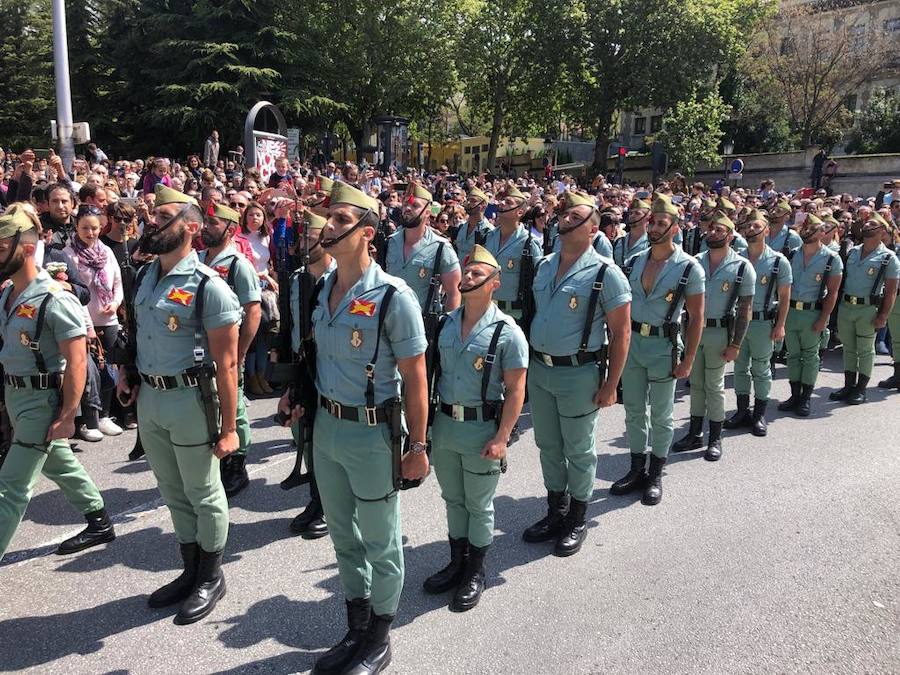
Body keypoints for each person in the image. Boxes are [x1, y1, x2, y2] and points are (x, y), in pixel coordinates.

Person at [282, 182, 428, 675]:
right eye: (329, 218)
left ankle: (379, 637)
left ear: (367, 233)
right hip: (327, 430)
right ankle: (356, 626)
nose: (328, 226)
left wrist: (418, 445)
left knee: (380, 541)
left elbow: (416, 379)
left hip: (372, 433)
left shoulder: (393, 297)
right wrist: (297, 395)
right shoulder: (323, 288)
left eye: (342, 220)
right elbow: (315, 357)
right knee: (343, 535)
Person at [116, 185, 241, 625]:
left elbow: (228, 364)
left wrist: (230, 428)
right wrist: (128, 374)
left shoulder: (208, 286)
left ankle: (211, 576)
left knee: (203, 492)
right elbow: (137, 334)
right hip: (151, 400)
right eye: (152, 214)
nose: (151, 220)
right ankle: (190, 570)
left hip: (191, 400)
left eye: (162, 215)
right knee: (172, 491)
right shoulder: (144, 276)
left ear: (189, 227)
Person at [0, 209, 115, 559]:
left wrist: (67, 415)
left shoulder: (54, 297)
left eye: (1, 247)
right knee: (58, 462)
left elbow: (77, 360)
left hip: (41, 401)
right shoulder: (8, 295)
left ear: (26, 248)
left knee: (10, 487)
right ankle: (99, 521)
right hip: (16, 396)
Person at [523, 190, 631, 553]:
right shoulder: (545, 265)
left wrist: (612, 384)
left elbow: (622, 333)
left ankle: (578, 517)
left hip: (578, 372)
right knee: (548, 446)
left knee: (579, 450)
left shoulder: (605, 272)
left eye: (575, 217)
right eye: (564, 215)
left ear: (593, 229)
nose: (565, 219)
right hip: (541, 369)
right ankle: (556, 510)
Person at [425, 245, 527, 611]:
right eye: (466, 272)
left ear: (494, 284)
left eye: (477, 274)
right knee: (453, 499)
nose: (467, 277)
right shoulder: (445, 323)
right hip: (445, 426)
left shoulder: (507, 332)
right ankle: (457, 562)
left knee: (479, 505)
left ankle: (476, 571)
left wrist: (502, 437)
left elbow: (516, 390)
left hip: (481, 429)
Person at [611, 196, 704, 504]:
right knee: (634, 410)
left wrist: (689, 359)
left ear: (675, 228)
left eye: (661, 223)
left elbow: (696, 317)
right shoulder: (635, 261)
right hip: (634, 344)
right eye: (651, 222)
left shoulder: (689, 267)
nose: (653, 228)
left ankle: (655, 473)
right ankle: (636, 468)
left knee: (662, 415)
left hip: (664, 346)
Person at [671, 211, 755, 460]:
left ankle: (715, 438)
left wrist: (736, 344)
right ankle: (695, 432)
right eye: (711, 229)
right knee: (696, 384)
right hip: (693, 330)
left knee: (714, 386)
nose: (713, 233)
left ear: (730, 236)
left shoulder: (742, 267)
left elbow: (745, 309)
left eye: (720, 230)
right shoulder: (695, 262)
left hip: (719, 332)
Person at [199, 204, 262, 497]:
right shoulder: (198, 259)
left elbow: (253, 311)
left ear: (231, 229)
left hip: (229, 349)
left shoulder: (238, 264)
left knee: (233, 405)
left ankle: (237, 464)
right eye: (206, 221)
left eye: (213, 223)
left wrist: (240, 351)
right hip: (202, 348)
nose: (206, 227)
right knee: (211, 402)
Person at [279, 210, 335, 538]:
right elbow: (289, 325)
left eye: (310, 238)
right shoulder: (297, 277)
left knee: (325, 440)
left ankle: (327, 504)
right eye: (301, 237)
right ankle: (317, 499)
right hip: (303, 368)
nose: (303, 244)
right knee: (306, 435)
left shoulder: (339, 279)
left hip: (329, 370)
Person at [724, 210, 792, 436]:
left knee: (761, 369)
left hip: (763, 322)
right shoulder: (736, 258)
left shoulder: (778, 261)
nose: (751, 230)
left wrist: (780, 325)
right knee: (740, 367)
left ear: (767, 231)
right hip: (739, 322)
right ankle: (742, 411)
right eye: (748, 227)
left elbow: (785, 296)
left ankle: (759, 414)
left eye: (756, 226)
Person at [64, 205, 124, 437]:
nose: (90, 233)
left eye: (95, 228)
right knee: (86, 371)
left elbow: (117, 282)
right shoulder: (69, 254)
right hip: (82, 322)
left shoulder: (106, 251)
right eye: (85, 228)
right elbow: (76, 293)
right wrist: (87, 324)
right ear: (77, 227)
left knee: (108, 368)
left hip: (108, 319)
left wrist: (115, 303)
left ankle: (105, 415)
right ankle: (86, 420)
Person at [828, 213, 899, 405]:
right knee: (849, 348)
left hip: (868, 308)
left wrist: (883, 316)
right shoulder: (853, 252)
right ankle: (848, 385)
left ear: (882, 231)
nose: (867, 225)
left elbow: (891, 291)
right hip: (846, 306)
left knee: (865, 351)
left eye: (872, 224)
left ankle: (861, 389)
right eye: (867, 223)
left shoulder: (888, 258)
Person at [777, 213, 843, 417]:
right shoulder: (792, 255)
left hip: (812, 312)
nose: (806, 231)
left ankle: (805, 398)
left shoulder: (831, 259)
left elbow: (833, 293)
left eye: (812, 229)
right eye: (805, 228)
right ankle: (794, 395)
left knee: (810, 357)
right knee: (793, 355)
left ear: (822, 232)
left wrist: (823, 319)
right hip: (791, 312)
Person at [384, 182, 461, 314]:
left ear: (427, 213)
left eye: (415, 205)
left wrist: (448, 324)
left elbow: (453, 293)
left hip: (422, 321)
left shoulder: (441, 247)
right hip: (389, 319)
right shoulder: (390, 242)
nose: (408, 208)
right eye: (405, 204)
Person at [484, 184, 542, 322]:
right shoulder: (489, 237)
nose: (502, 203)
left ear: (520, 212)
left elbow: (538, 281)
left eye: (508, 202)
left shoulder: (528, 242)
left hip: (514, 314)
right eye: (502, 201)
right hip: (487, 309)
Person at [454, 186, 493, 263]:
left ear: (483, 206)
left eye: (473, 201)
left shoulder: (489, 231)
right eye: (468, 200)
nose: (468, 203)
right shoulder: (461, 227)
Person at [612, 197, 650, 267]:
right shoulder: (619, 241)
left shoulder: (650, 243)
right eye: (631, 213)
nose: (632, 216)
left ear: (647, 218)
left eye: (637, 213)